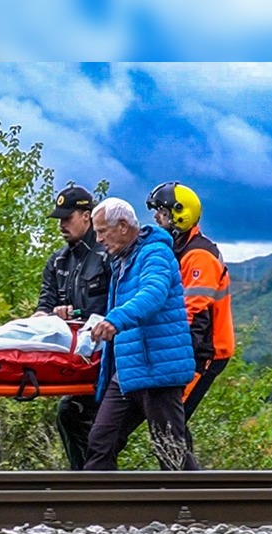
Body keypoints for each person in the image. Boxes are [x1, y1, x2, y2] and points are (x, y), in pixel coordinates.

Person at [83, 198, 199, 471]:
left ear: (123, 226)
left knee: (171, 454)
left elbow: (153, 294)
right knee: (101, 442)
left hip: (158, 371)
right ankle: (97, 510)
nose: (98, 239)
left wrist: (115, 321)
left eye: (102, 231)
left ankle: (199, 508)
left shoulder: (155, 254)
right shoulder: (122, 260)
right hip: (129, 372)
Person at [32, 185, 110, 470]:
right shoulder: (58, 261)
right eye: (59, 219)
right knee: (69, 415)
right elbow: (42, 308)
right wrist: (51, 315)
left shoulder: (107, 255)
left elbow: (118, 306)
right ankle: (87, 485)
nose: (62, 225)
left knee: (90, 423)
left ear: (87, 216)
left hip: (107, 357)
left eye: (68, 218)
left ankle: (96, 487)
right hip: (76, 359)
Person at [145, 181, 234, 425]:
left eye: (162, 212)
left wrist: (173, 357)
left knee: (172, 421)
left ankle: (181, 463)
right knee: (171, 421)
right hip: (193, 348)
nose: (156, 218)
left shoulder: (198, 256)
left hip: (205, 351)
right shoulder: (178, 249)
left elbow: (193, 314)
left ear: (179, 215)